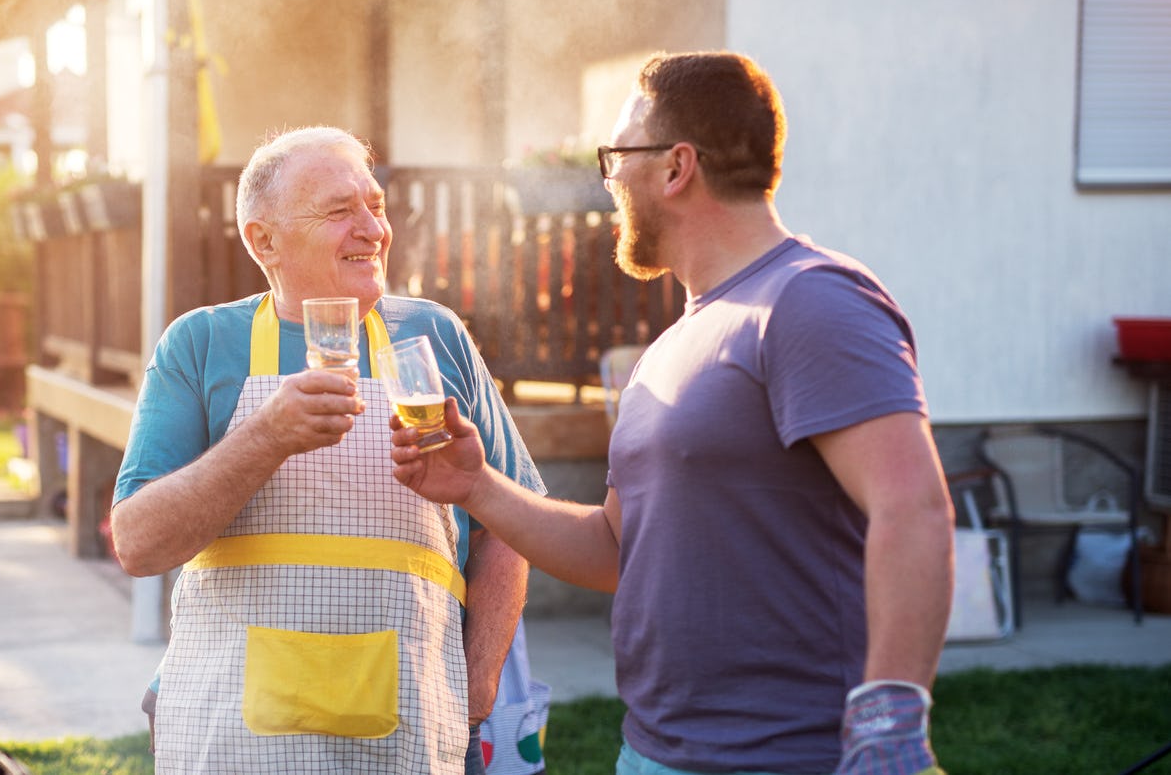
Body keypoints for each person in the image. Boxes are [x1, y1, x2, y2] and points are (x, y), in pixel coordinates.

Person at [390, 51, 955, 775]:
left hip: (793, 758)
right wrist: (477, 488)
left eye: (616, 155)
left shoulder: (809, 301)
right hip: (655, 753)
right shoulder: (669, 349)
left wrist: (889, 720)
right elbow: (615, 551)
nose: (610, 181)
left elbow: (912, 508)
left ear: (674, 167)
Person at [109, 126, 544, 775]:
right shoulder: (200, 345)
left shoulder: (430, 336)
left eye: (375, 205)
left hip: (411, 724)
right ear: (264, 241)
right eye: (341, 211)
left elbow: (506, 527)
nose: (372, 228)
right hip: (233, 737)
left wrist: (479, 679)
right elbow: (139, 544)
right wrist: (266, 436)